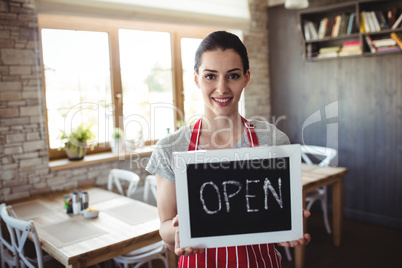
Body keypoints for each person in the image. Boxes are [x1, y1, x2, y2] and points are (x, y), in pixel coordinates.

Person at [145, 30, 311, 267]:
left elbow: (283, 214)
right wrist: (178, 235)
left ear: (246, 78)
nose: (222, 88)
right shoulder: (169, 148)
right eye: (210, 76)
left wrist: (292, 225)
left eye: (232, 76)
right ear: (196, 79)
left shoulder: (273, 140)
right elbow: (165, 228)